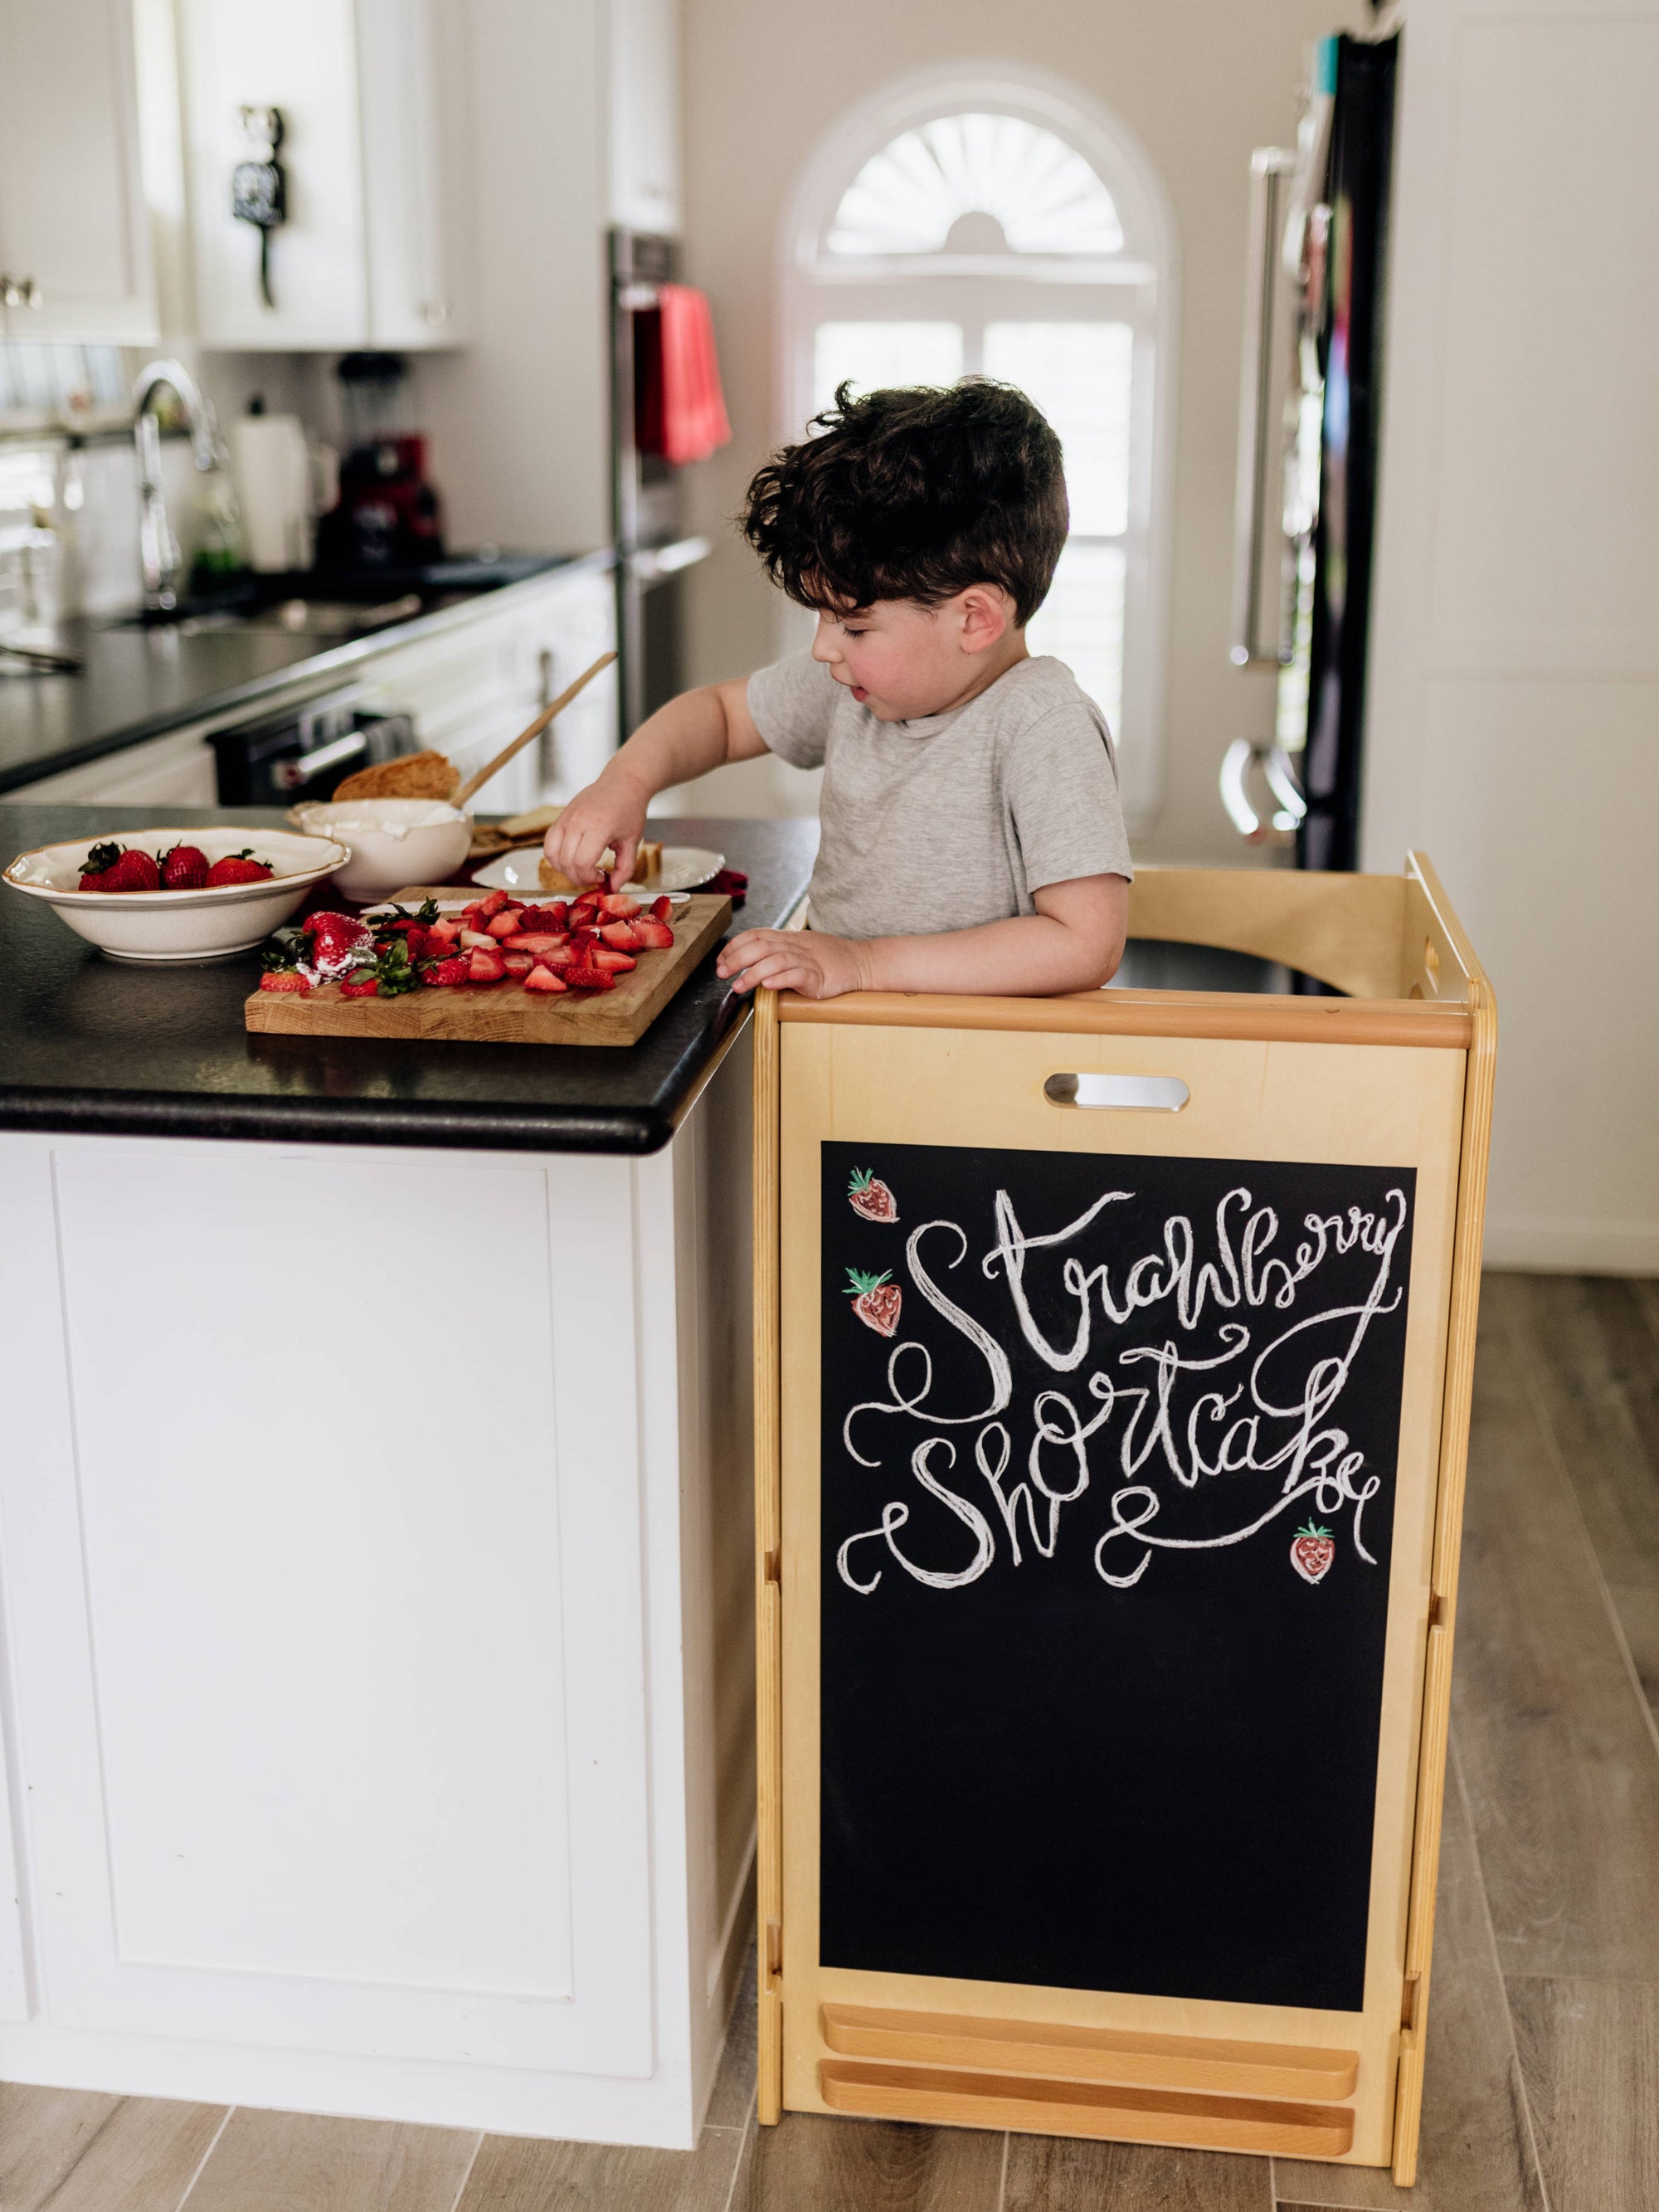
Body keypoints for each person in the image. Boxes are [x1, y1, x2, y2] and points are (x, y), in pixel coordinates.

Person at [542, 379, 1133, 999]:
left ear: (974, 619)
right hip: (842, 1053)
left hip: (979, 1077)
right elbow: (719, 715)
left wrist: (865, 965)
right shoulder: (859, 683)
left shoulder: (1045, 724)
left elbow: (1085, 943)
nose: (826, 648)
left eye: (853, 624)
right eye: (823, 619)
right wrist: (628, 781)